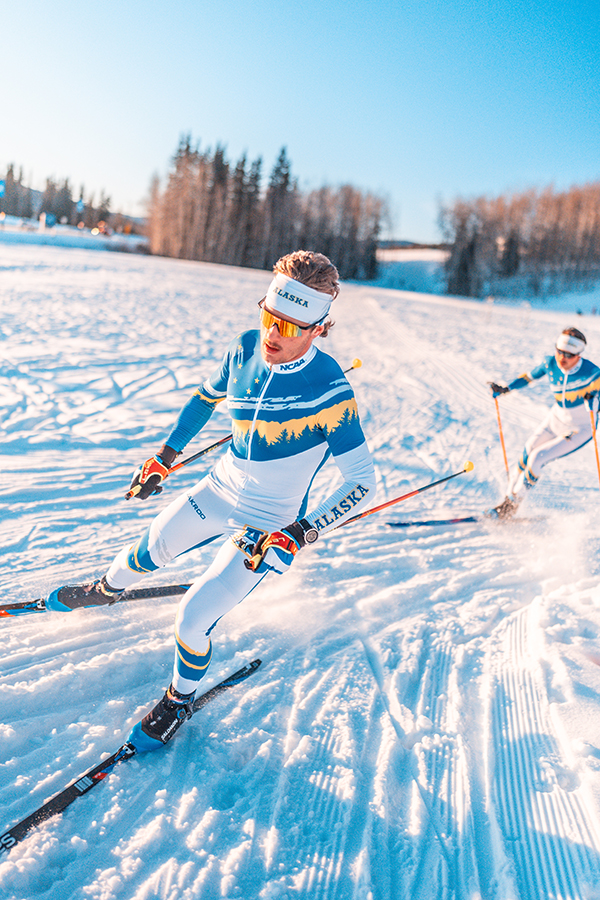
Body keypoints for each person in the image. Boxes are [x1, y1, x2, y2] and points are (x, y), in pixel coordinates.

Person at [46, 251, 377, 751]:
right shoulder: (244, 349)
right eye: (268, 316)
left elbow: (361, 483)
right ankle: (105, 590)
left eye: (288, 326)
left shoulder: (330, 389)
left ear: (317, 328)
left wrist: (300, 531)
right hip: (219, 490)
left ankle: (178, 701)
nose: (273, 334)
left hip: (267, 525)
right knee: (147, 549)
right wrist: (165, 455)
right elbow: (205, 398)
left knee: (193, 617)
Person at [488, 327, 600, 518]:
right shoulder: (550, 364)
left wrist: (594, 401)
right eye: (559, 352)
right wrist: (507, 388)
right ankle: (506, 501)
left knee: (537, 458)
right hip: (556, 419)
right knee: (526, 454)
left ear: (579, 355)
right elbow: (529, 377)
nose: (562, 358)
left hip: (580, 428)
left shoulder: (592, 373)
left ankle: (512, 506)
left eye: (569, 355)